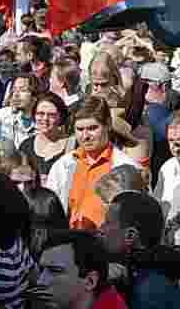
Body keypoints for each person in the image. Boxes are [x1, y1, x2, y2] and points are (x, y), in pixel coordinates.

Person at [99, 191, 180, 309]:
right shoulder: (134, 278)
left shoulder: (152, 290)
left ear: (130, 235)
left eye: (107, 222)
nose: (101, 229)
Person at [46, 95, 139, 231]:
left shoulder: (126, 167)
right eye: (80, 129)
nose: (85, 136)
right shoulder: (63, 165)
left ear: (107, 124)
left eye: (92, 128)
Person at [20, 93, 71, 178]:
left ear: (61, 117)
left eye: (51, 115)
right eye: (40, 114)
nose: (45, 119)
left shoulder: (73, 145)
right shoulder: (26, 146)